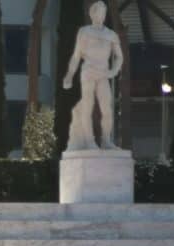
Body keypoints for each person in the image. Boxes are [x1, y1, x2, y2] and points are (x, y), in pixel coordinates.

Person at [63, 0, 123, 151]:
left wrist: (114, 71)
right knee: (87, 106)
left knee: (107, 109)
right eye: (99, 12)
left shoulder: (111, 35)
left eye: (103, 13)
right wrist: (69, 76)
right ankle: (89, 141)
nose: (101, 15)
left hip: (103, 73)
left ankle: (106, 140)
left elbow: (120, 57)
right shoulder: (84, 32)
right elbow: (76, 56)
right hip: (88, 72)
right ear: (92, 14)